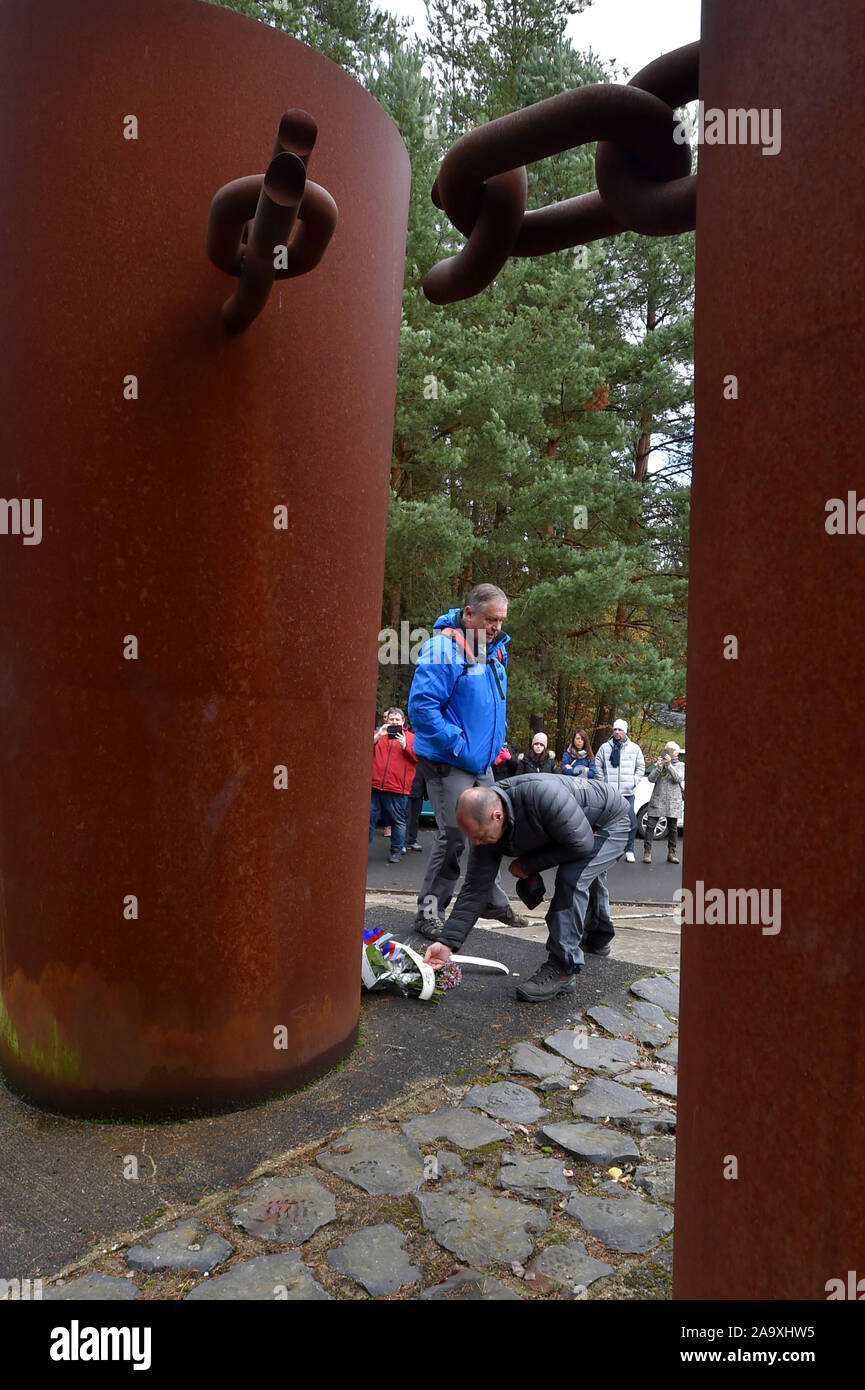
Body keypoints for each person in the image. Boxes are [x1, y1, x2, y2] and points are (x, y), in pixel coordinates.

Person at [423, 775, 632, 1001]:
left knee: (573, 877)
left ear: (497, 816)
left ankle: (563, 968)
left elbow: (582, 845)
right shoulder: (484, 823)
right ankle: (598, 937)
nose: (478, 844)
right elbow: (475, 888)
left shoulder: (543, 796)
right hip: (579, 823)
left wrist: (528, 864)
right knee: (588, 870)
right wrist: (447, 943)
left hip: (614, 820)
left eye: (481, 836)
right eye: (472, 838)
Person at [407, 583, 529, 940]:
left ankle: (489, 899)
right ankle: (428, 912)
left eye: (501, 620)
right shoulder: (443, 649)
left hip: (481, 760)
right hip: (449, 761)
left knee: (491, 830)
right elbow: (421, 708)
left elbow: (490, 705)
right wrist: (458, 743)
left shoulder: (493, 651)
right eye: (490, 619)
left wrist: (495, 744)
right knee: (455, 837)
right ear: (469, 612)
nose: (496, 627)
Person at [594, 718, 645, 862]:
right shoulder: (605, 747)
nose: (617, 732)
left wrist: (633, 781)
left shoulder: (634, 748)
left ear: (625, 731)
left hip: (627, 793)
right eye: (615, 729)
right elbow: (597, 765)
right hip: (609, 793)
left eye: (620, 730)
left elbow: (641, 767)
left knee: (630, 822)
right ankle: (606, 850)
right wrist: (603, 782)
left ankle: (629, 850)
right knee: (606, 822)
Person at [370, 708, 417, 864]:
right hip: (375, 784)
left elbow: (418, 759)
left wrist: (405, 746)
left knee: (398, 820)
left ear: (403, 721)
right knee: (368, 817)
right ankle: (363, 849)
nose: (394, 722)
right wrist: (377, 736)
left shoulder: (410, 738)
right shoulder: (378, 734)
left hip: (397, 786)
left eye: (397, 720)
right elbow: (362, 750)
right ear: (386, 720)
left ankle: (396, 850)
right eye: (391, 720)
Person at [643, 741, 684, 864]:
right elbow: (651, 779)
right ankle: (647, 852)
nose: (668, 752)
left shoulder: (681, 765)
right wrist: (658, 767)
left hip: (673, 800)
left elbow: (678, 778)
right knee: (650, 826)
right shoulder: (659, 764)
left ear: (676, 752)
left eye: (670, 750)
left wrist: (669, 765)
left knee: (673, 828)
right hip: (658, 798)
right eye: (666, 749)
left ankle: (671, 853)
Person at [404, 764, 426, 851]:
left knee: (415, 818)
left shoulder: (422, 759)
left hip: (418, 790)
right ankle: (403, 842)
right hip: (407, 790)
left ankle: (412, 840)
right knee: (406, 817)